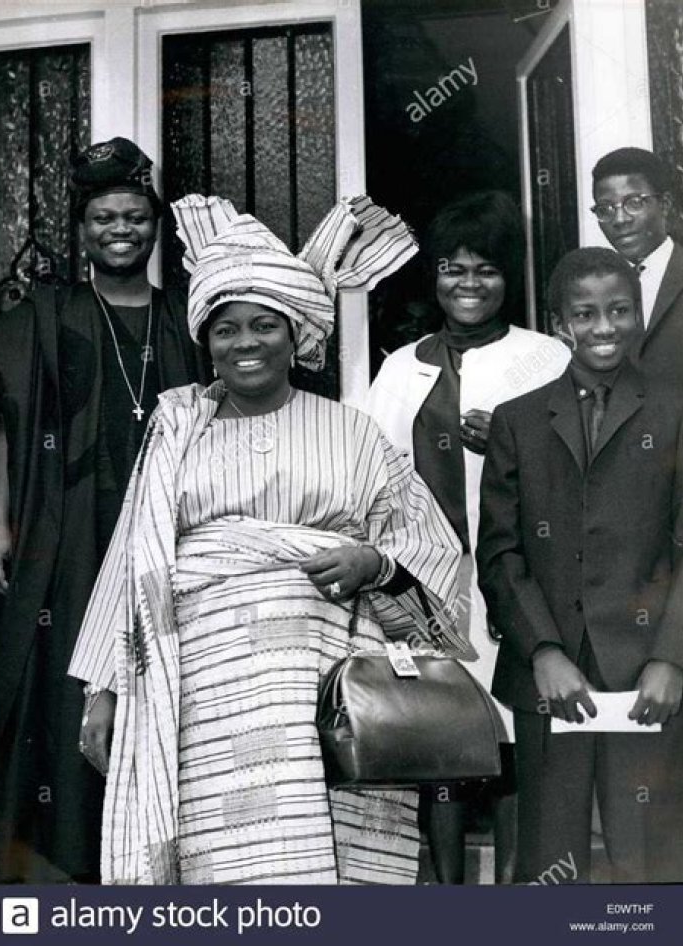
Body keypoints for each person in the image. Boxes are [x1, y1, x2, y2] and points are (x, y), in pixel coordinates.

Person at [68, 193, 465, 885]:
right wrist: (102, 689)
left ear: (295, 336)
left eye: (262, 326)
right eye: (225, 329)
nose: (244, 343)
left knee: (328, 866)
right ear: (206, 340)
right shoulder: (177, 430)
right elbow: (134, 560)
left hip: (327, 690)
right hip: (201, 693)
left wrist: (372, 562)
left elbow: (430, 550)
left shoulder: (353, 433)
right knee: (220, 864)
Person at [0, 137, 209, 883]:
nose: (121, 229)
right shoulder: (47, 313)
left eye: (136, 217)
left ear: (155, 227)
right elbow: (10, 421)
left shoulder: (187, 321)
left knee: (165, 683)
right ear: (82, 231)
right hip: (64, 526)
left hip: (167, 532)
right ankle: (64, 855)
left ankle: (155, 852)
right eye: (105, 217)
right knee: (60, 682)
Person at [365, 190, 569, 883]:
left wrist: (518, 442)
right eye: (453, 269)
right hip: (425, 581)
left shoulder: (542, 359)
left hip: (514, 574)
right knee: (439, 733)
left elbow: (582, 465)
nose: (469, 284)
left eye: (485, 270)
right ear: (435, 278)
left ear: (507, 278)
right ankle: (448, 889)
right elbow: (369, 469)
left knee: (510, 735)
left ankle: (514, 885)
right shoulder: (400, 366)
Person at [477, 247, 683, 883]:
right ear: (559, 321)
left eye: (620, 310)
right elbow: (500, 551)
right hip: (550, 680)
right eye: (586, 313)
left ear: (638, 313)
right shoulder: (517, 421)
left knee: (651, 859)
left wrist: (671, 658)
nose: (604, 327)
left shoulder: (679, 411)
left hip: (651, 676)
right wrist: (543, 650)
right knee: (551, 861)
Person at [591, 147, 683, 388]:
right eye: (605, 209)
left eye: (633, 203)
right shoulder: (593, 288)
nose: (620, 220)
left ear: (664, 204)